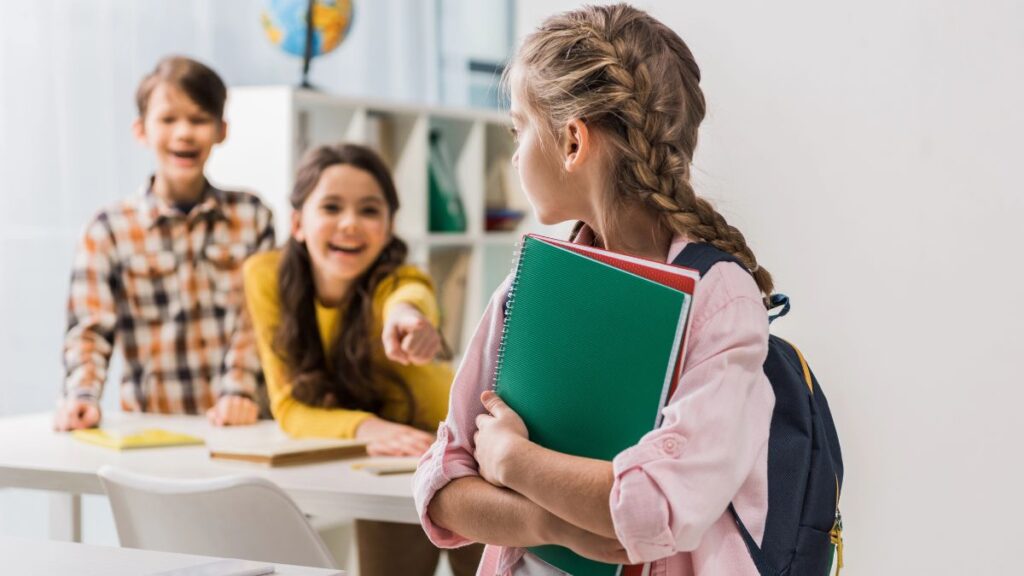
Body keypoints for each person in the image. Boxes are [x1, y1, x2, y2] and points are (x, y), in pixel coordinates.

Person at [414, 4, 777, 575]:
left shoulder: (721, 300)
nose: (513, 153)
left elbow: (659, 505)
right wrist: (547, 524)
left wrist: (516, 462)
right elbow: (440, 488)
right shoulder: (528, 287)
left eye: (518, 129)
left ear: (572, 143)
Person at [243, 143, 483, 576]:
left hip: (465, 448)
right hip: (388, 454)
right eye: (332, 207)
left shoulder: (396, 278)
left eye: (370, 211)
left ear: (389, 227)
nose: (350, 224)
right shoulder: (265, 276)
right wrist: (369, 430)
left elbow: (410, 297)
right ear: (297, 222)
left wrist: (409, 319)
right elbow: (290, 407)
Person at [56, 56, 274, 431]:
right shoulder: (108, 228)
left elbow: (258, 320)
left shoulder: (253, 216)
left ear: (222, 130)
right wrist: (82, 397)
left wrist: (239, 392)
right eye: (168, 119)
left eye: (199, 119)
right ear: (141, 130)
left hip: (242, 426)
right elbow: (89, 330)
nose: (184, 133)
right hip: (151, 429)